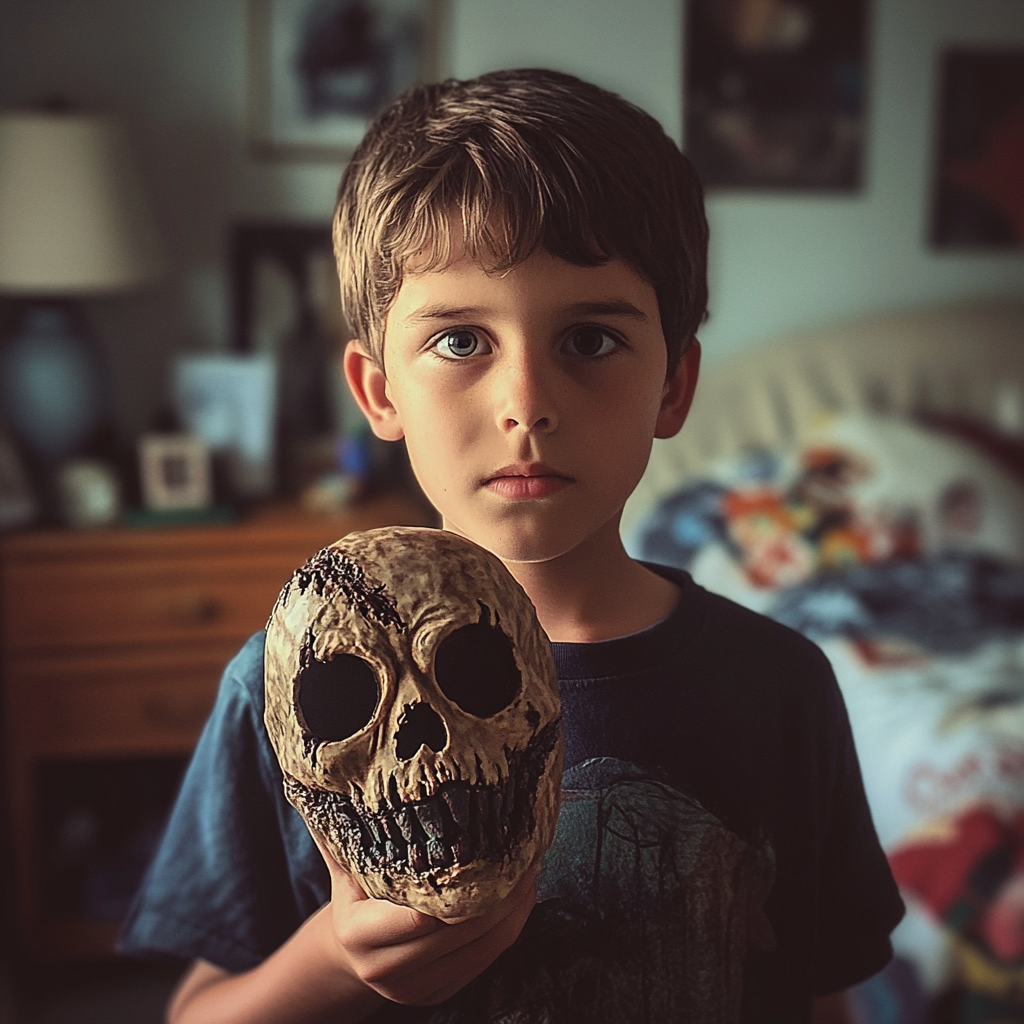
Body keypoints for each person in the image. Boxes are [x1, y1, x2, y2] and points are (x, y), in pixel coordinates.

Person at [119, 68, 904, 1022]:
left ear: (672, 387)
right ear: (378, 392)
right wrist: (328, 962)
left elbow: (818, 995)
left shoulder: (781, 686)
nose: (525, 403)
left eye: (589, 340)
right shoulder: (297, 683)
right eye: (459, 342)